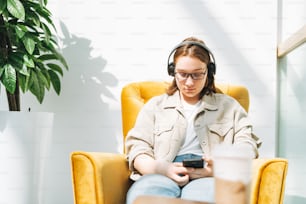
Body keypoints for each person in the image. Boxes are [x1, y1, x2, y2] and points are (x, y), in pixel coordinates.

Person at [125, 37, 261, 204]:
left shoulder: (229, 106)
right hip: (161, 172)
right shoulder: (155, 106)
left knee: (207, 198)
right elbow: (137, 149)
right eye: (182, 74)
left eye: (197, 74)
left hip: (208, 176)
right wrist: (161, 168)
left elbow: (246, 145)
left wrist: (219, 168)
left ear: (209, 71)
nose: (189, 82)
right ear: (172, 71)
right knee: (143, 197)